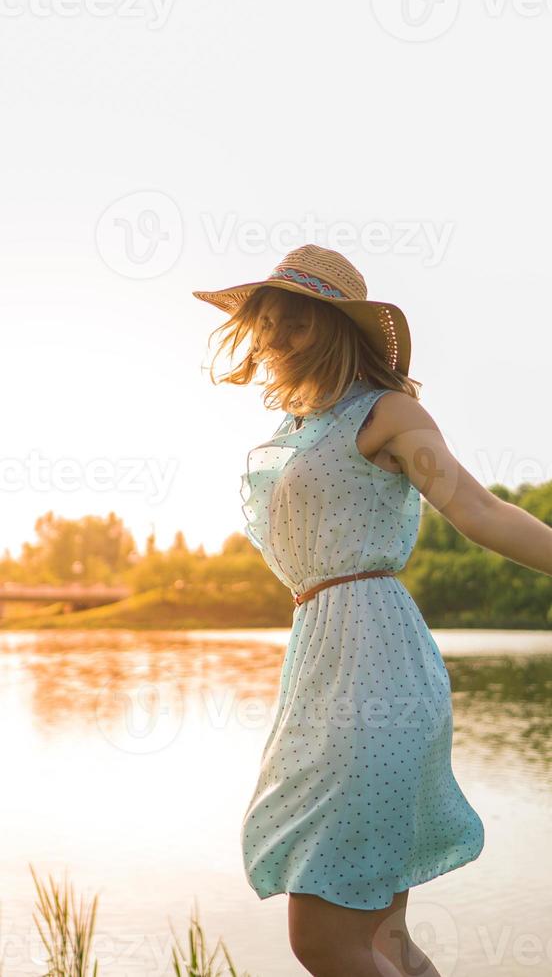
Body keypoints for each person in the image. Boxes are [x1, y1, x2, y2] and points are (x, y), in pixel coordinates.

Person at [193, 244, 552, 977]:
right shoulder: (299, 430)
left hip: (374, 664)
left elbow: (478, 509)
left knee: (323, 940)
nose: (272, 337)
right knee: (384, 942)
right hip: (323, 659)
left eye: (294, 321)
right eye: (268, 321)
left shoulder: (387, 412)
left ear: (337, 328)